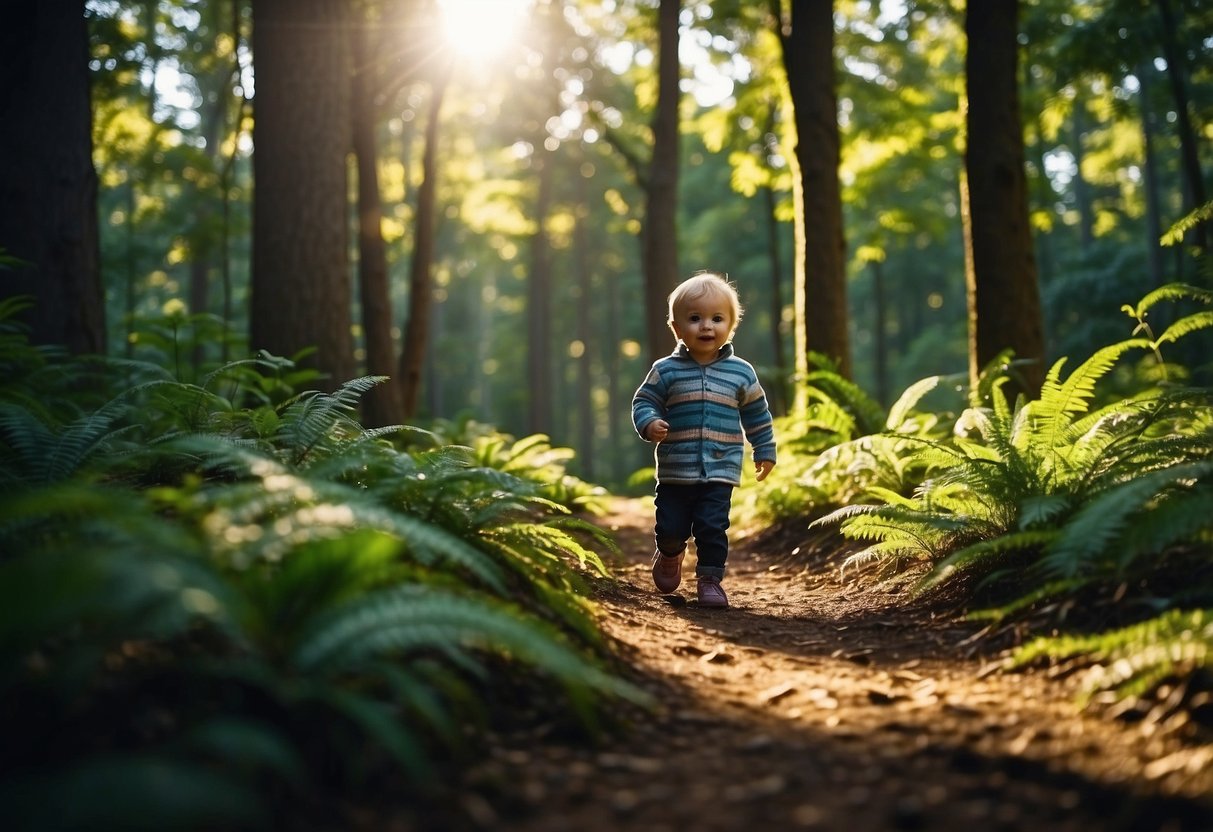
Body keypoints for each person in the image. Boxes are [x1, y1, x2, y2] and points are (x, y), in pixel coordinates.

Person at [631, 271, 777, 608]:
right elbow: (644, 401)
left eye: (716, 319)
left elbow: (757, 414)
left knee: (713, 527)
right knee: (670, 525)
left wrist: (764, 449)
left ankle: (710, 580)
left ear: (731, 326)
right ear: (677, 328)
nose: (706, 326)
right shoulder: (665, 369)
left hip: (721, 469)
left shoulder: (742, 372)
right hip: (675, 470)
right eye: (695, 319)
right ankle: (670, 553)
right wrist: (649, 422)